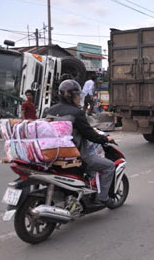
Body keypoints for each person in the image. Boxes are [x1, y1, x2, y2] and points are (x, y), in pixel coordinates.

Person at [45, 80, 116, 208]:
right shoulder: (76, 113)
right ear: (71, 96)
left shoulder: (49, 111)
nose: (79, 98)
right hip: (76, 155)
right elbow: (89, 134)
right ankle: (103, 198)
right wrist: (105, 139)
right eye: (78, 95)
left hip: (51, 154)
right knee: (109, 166)